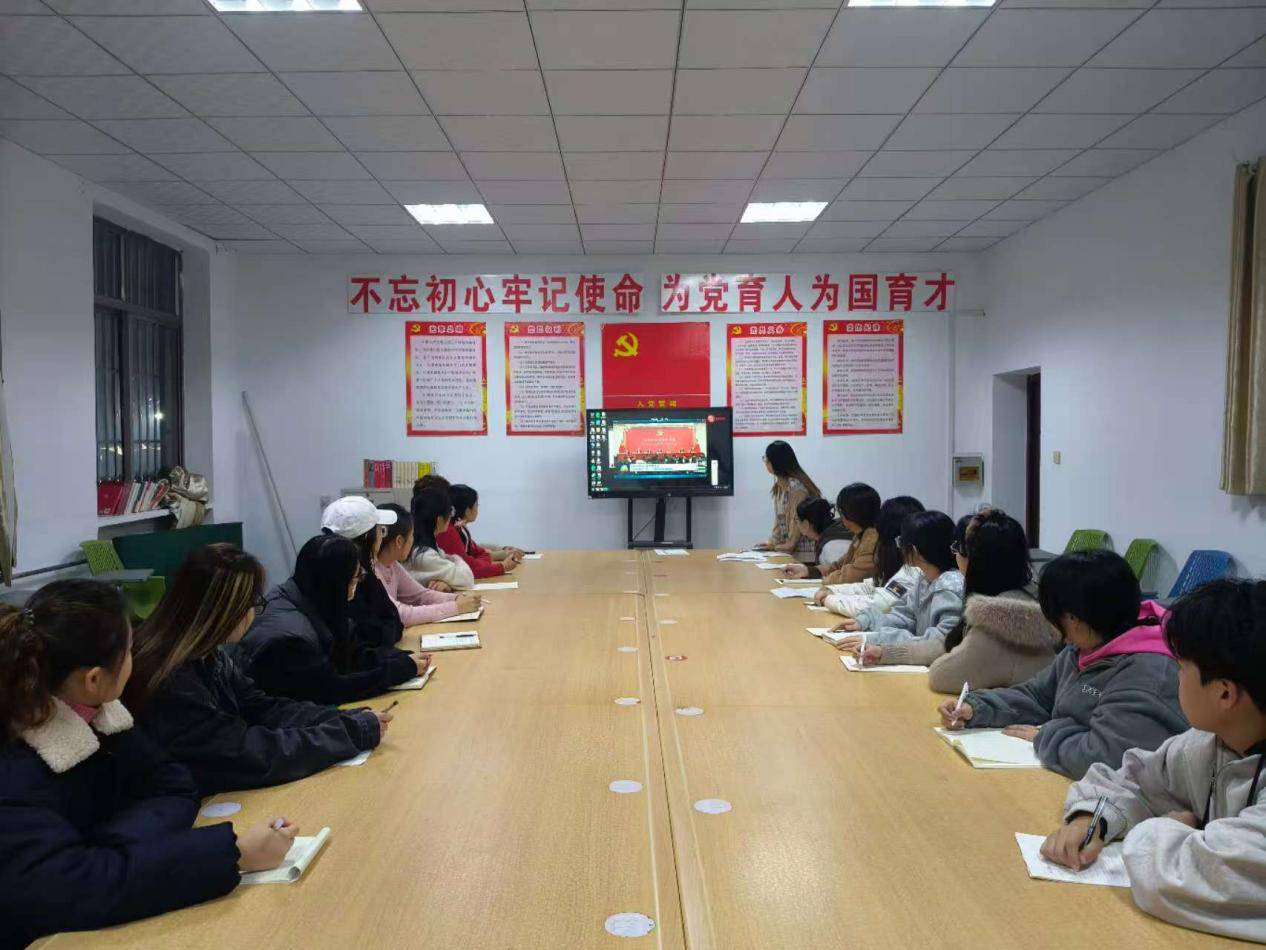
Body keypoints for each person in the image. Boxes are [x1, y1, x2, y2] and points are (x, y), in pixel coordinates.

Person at [0, 580, 295, 947]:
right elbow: (72, 889)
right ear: (94, 679)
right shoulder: (14, 768)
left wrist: (109, 851)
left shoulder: (101, 714)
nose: (135, 658)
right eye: (129, 650)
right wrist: (233, 853)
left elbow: (174, 785)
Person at [1040, 579, 1266, 943]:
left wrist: (1169, 826)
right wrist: (1092, 819)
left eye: (1181, 668)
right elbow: (1132, 778)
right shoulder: (1213, 742)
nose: (1173, 676)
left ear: (1224, 693)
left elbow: (1178, 877)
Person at [126, 544, 388, 795]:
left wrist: (344, 719)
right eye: (252, 603)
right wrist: (349, 732)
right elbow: (247, 753)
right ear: (227, 610)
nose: (254, 612)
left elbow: (264, 708)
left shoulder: (207, 656)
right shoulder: (171, 678)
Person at [937, 550, 1188, 779]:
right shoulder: (1085, 646)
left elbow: (1104, 757)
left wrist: (1046, 734)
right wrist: (976, 708)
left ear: (1073, 618)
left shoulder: (1149, 673)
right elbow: (1038, 695)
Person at [865, 508, 1061, 689]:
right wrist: (889, 652)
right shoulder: (1017, 597)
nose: (955, 555)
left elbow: (944, 674)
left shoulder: (999, 615)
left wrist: (877, 641)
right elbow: (951, 644)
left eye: (957, 548)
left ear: (976, 558)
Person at [241, 534, 429, 704]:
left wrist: (399, 658)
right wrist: (397, 670)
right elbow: (331, 688)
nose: (357, 585)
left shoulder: (310, 596)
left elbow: (350, 652)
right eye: (355, 579)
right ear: (337, 583)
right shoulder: (288, 639)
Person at [832, 511, 964, 662]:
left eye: (901, 542)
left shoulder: (950, 585)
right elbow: (904, 616)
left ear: (914, 550)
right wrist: (866, 622)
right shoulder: (924, 578)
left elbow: (940, 642)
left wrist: (876, 639)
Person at [815, 495, 924, 615]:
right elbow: (873, 586)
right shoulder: (905, 565)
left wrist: (829, 600)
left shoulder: (914, 571)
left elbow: (878, 605)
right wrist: (833, 591)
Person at [323, 495, 406, 650]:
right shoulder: (346, 584)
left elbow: (395, 624)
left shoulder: (367, 573)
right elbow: (370, 639)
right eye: (380, 530)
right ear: (368, 537)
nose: (382, 537)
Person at [376, 503, 480, 625]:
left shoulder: (392, 565)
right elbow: (401, 614)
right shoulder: (372, 572)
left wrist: (456, 599)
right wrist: (456, 607)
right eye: (411, 535)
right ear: (399, 541)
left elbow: (421, 595)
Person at [784, 482, 880, 581]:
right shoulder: (860, 536)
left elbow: (851, 576)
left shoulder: (870, 540)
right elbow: (838, 566)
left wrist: (823, 580)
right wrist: (808, 571)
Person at [754, 440, 821, 562]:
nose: (765, 462)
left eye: (766, 459)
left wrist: (775, 548)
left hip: (804, 558)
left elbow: (793, 538)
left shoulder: (796, 490)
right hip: (789, 554)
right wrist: (772, 542)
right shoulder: (779, 487)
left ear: (776, 463)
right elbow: (779, 522)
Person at [437, 484, 523, 578]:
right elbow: (469, 569)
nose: (478, 508)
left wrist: (480, 562)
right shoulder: (448, 531)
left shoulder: (459, 527)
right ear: (467, 511)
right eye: (476, 505)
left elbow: (479, 552)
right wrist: (503, 566)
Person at [407, 487, 475, 589]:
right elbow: (467, 579)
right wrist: (455, 558)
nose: (450, 517)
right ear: (439, 520)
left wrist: (447, 583)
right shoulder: (424, 555)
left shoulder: (422, 547)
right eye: (450, 512)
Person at [793, 497, 852, 573]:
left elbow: (840, 576)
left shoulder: (832, 548)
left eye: (797, 520)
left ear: (806, 524)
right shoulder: (833, 533)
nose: (797, 525)